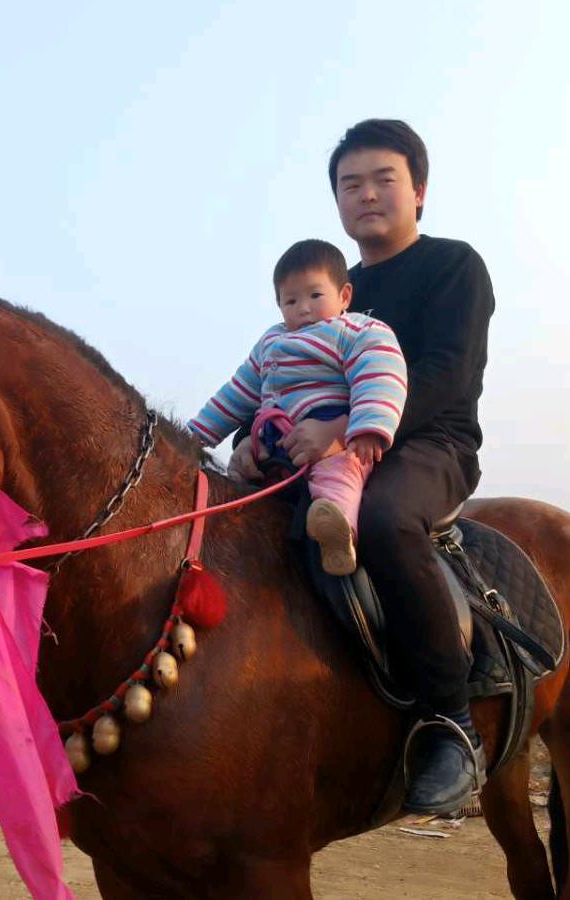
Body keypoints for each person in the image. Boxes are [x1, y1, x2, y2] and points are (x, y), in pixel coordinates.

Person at [226, 119, 495, 815]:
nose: (367, 194)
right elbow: (274, 385)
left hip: (429, 446)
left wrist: (346, 428)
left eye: (384, 179)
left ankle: (450, 723)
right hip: (324, 452)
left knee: (379, 521)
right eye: (351, 184)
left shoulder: (453, 266)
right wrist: (256, 442)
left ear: (419, 191)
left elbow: (445, 374)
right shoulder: (328, 287)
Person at [187, 239, 407, 576]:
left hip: (329, 437)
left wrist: (365, 427)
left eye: (315, 296)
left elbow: (380, 373)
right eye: (291, 300)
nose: (303, 308)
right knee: (235, 480)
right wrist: (193, 436)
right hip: (274, 439)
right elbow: (236, 394)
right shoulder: (269, 343)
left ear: (344, 296)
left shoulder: (356, 332)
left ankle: (337, 530)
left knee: (338, 475)